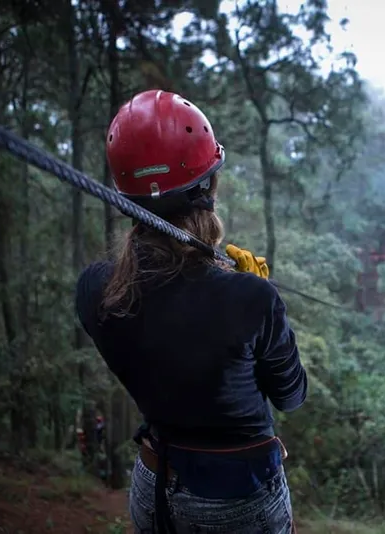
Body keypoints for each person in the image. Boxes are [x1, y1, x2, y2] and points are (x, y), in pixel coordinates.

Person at [75, 89, 307, 534]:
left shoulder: (96, 290)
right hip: (239, 499)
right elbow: (291, 396)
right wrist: (264, 301)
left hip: (154, 486)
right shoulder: (251, 299)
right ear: (208, 188)